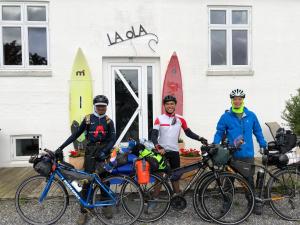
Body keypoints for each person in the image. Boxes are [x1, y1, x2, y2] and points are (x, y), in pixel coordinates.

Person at [55, 95, 116, 225]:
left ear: (106, 107)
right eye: (98, 106)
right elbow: (76, 135)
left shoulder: (109, 121)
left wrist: (105, 151)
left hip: (103, 153)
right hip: (90, 153)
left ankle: (106, 206)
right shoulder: (88, 119)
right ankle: (84, 210)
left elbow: (112, 138)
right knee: (87, 180)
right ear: (95, 106)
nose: (101, 108)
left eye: (103, 106)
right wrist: (61, 147)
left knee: (105, 180)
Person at [213, 89, 267, 215]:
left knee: (249, 180)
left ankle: (252, 203)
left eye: (239, 99)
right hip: (231, 155)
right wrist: (215, 144)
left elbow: (258, 131)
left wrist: (263, 144)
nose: (237, 101)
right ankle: (227, 203)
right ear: (231, 100)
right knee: (228, 181)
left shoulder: (251, 115)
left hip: (247, 154)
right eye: (235, 99)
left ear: (243, 100)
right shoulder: (226, 116)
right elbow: (219, 132)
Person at [151, 95, 208, 194]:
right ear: (164, 106)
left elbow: (188, 133)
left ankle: (176, 198)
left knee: (175, 176)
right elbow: (154, 135)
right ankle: (155, 199)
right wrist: (158, 147)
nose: (170, 106)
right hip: (161, 152)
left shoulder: (180, 119)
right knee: (159, 177)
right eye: (167, 104)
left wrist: (200, 138)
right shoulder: (159, 119)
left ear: (175, 105)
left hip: (174, 151)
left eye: (172, 104)